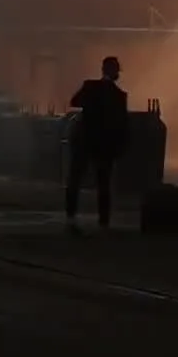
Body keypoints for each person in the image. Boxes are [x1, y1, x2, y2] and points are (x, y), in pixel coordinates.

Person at [66, 56, 130, 233]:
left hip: (84, 141)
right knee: (104, 183)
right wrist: (121, 147)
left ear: (103, 69)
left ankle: (70, 217)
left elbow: (74, 102)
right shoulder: (119, 96)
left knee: (75, 179)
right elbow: (123, 125)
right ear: (116, 72)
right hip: (105, 144)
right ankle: (104, 221)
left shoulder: (90, 86)